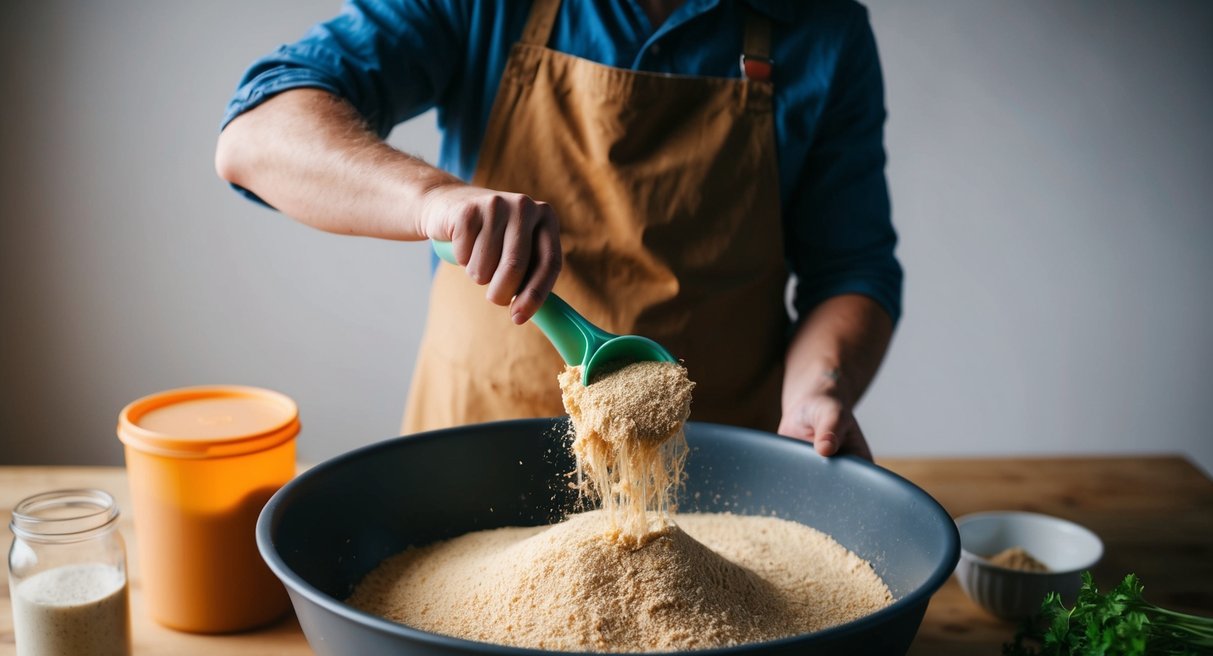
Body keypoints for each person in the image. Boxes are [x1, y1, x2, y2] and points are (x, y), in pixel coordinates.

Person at [215, 0, 901, 459]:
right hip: (469, 467)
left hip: (715, 471)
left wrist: (821, 386)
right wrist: (434, 201)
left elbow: (850, 272)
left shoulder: (822, 27)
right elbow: (255, 137)